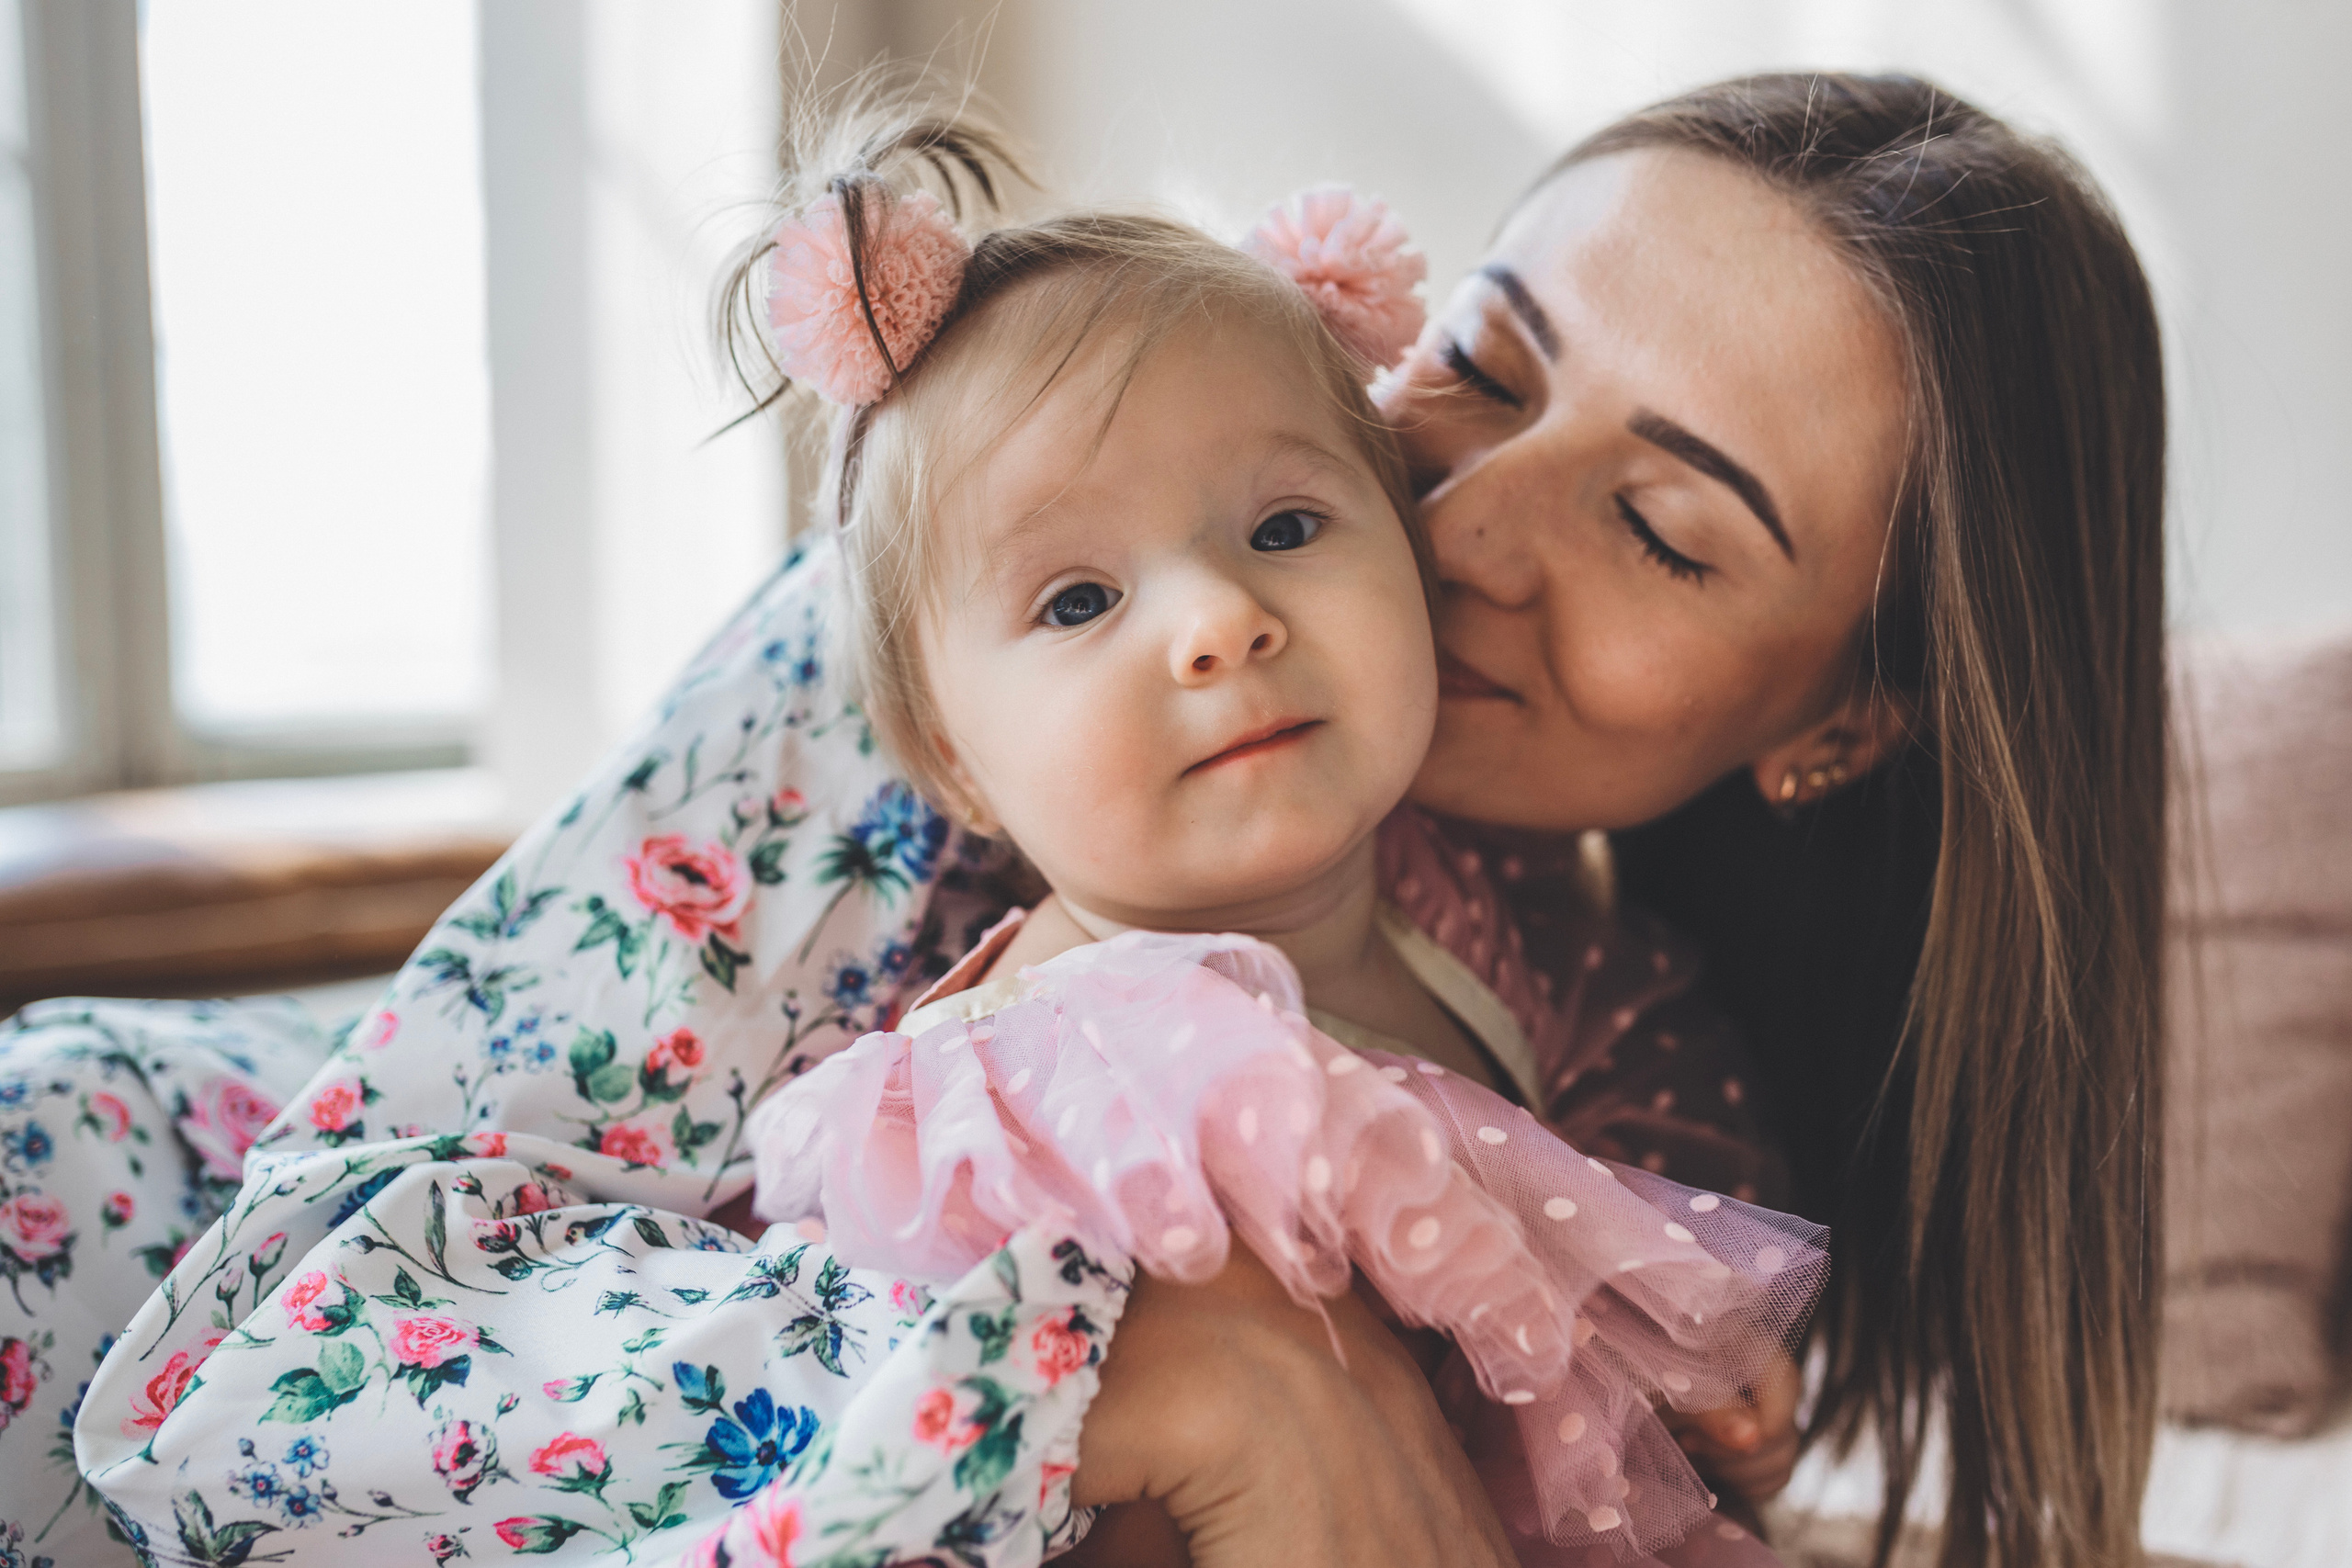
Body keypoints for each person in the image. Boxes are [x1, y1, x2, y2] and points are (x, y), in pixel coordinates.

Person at [35, 67, 2160, 1568]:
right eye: (1484, 365)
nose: (1460, 521)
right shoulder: (976, 612)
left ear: (1843, 724)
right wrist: (1158, 1371)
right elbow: (247, 1360)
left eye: (1661, 529)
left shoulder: (1637, 1072)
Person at [731, 140, 1829, 1565]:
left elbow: (1559, 1268)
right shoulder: (1039, 1080)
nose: (1218, 621)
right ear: (956, 760)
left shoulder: (1478, 918)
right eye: (1078, 601)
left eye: (1286, 525)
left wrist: (1676, 1366)